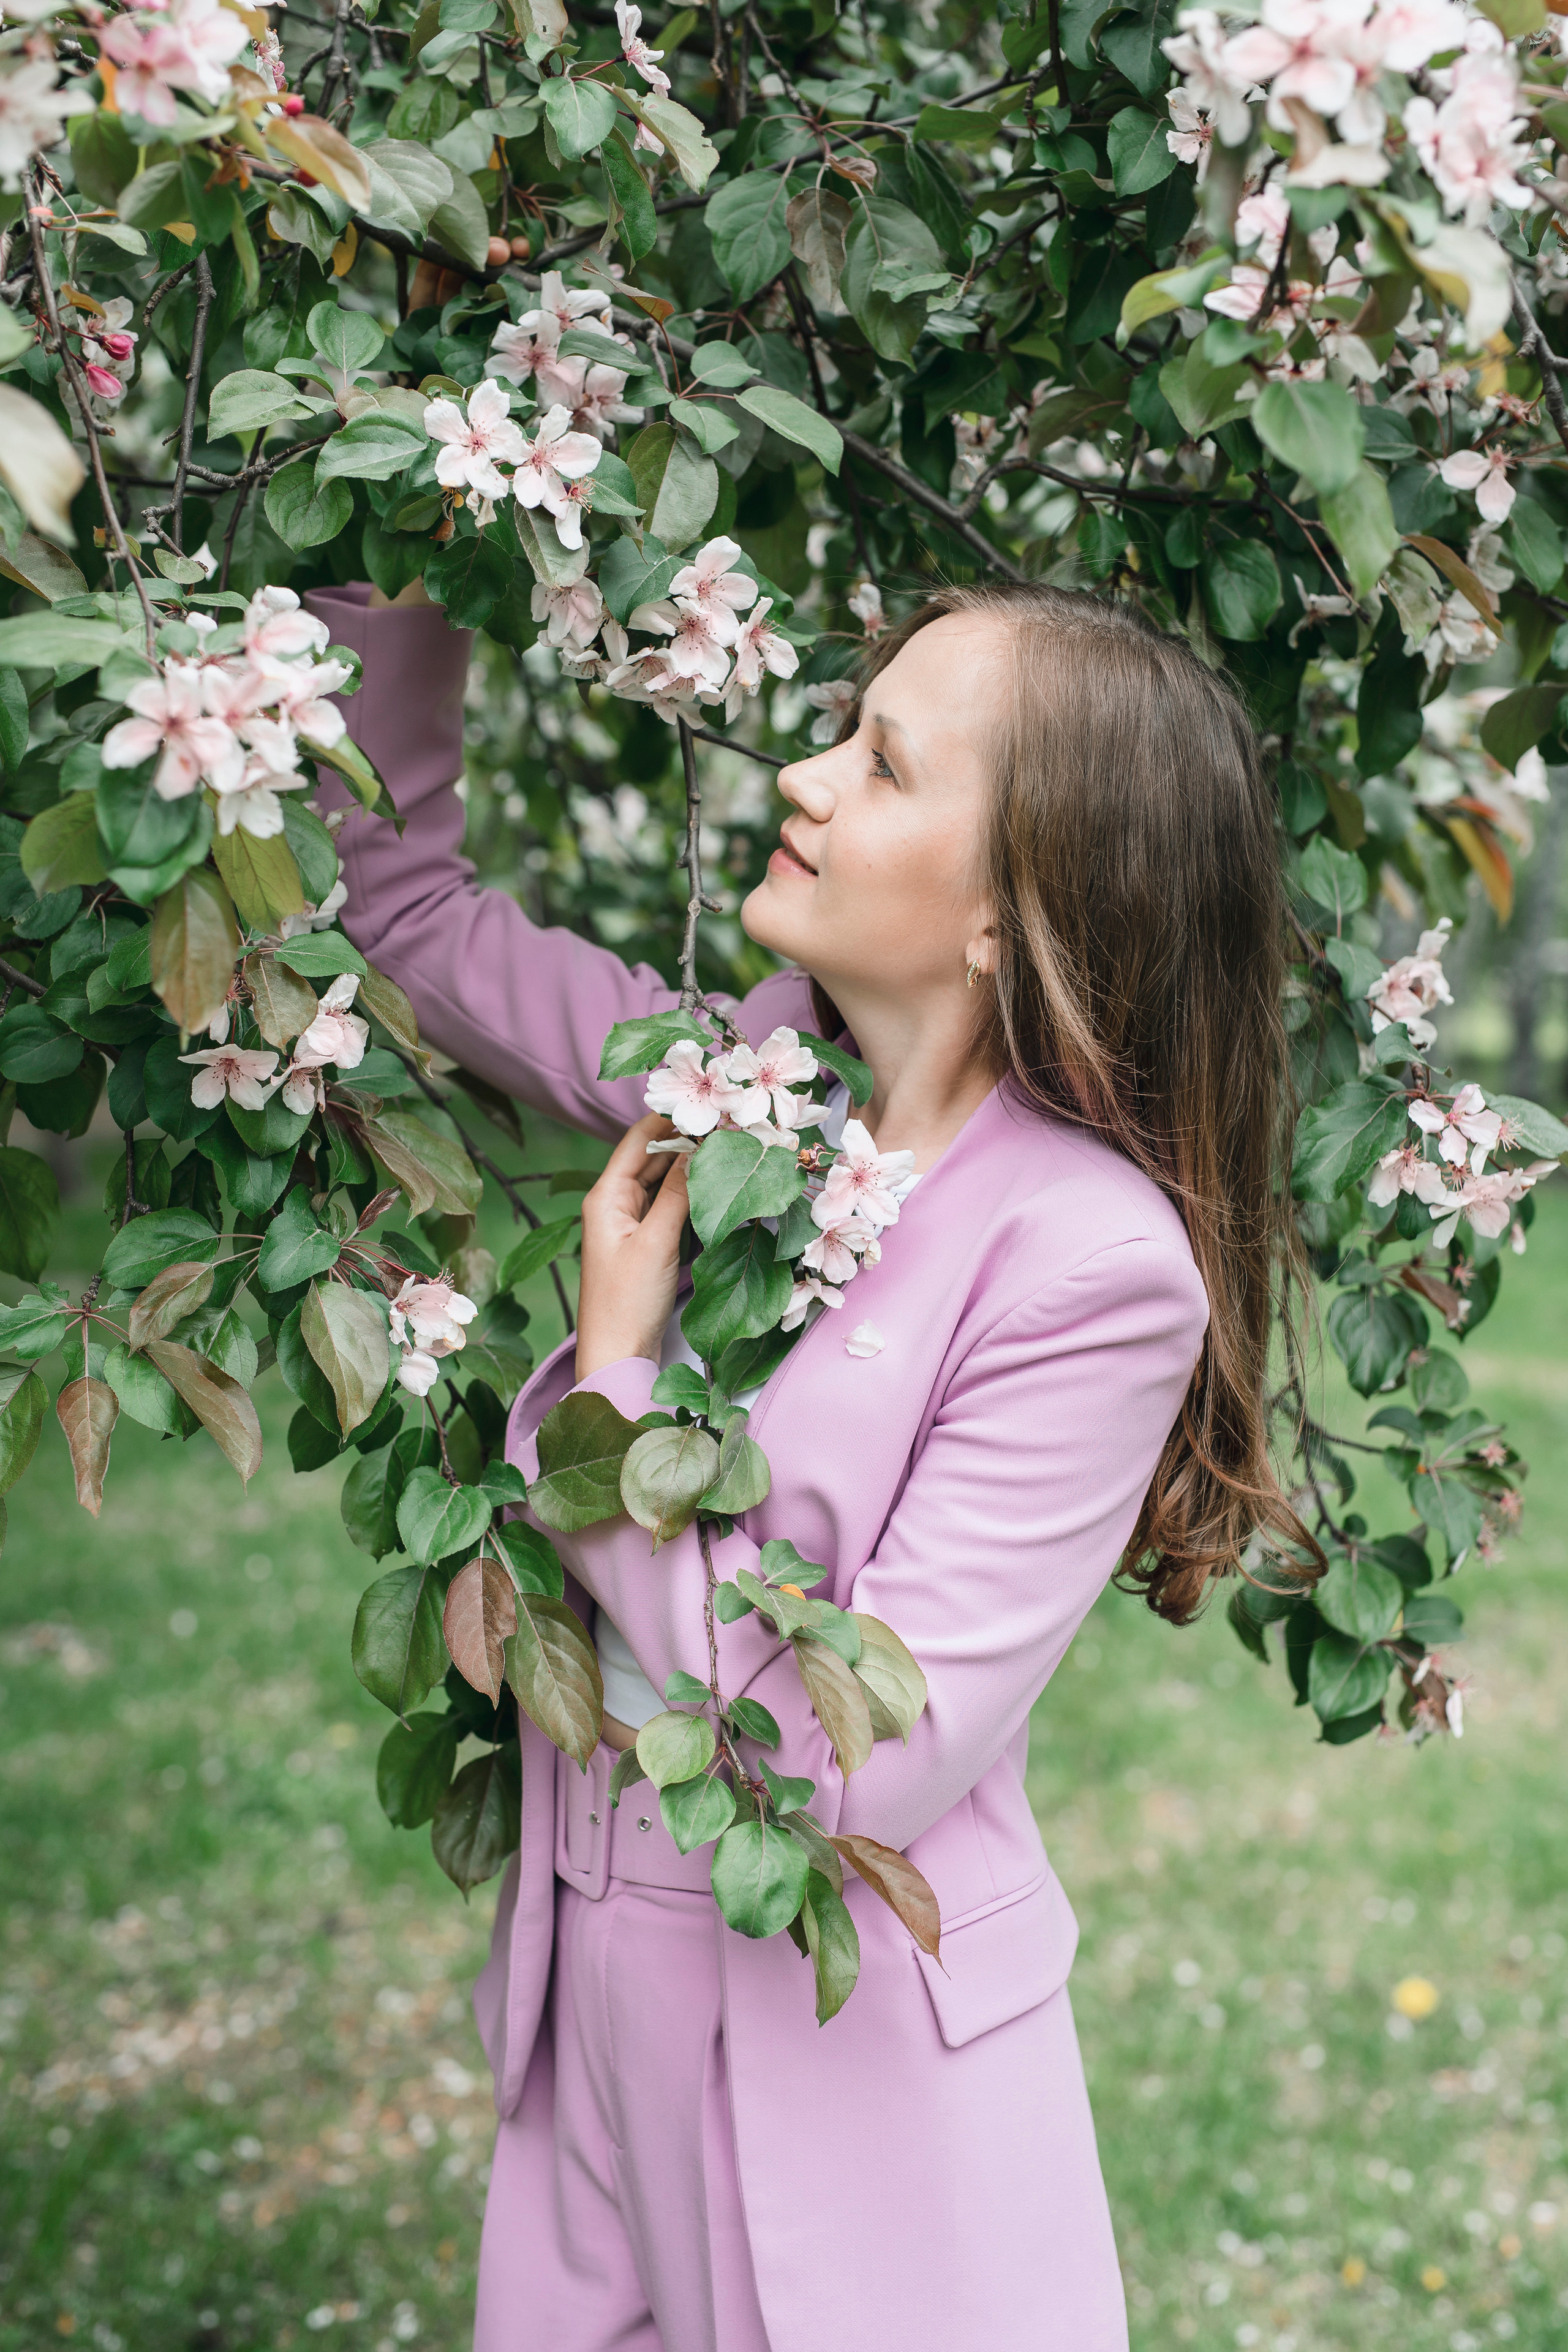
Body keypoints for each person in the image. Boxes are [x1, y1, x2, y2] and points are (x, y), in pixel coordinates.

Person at [304, 575, 1302, 2352]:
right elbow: (403, 914)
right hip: (592, 1986)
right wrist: (409, 553)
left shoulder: (1089, 1265)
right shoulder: (749, 1090)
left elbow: (847, 1774)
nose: (803, 775)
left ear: (1011, 911)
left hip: (848, 2065)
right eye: (845, 728)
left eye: (884, 764)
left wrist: (617, 1385)